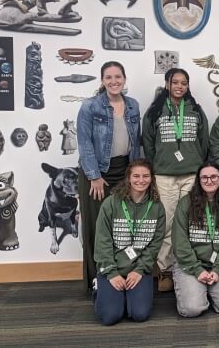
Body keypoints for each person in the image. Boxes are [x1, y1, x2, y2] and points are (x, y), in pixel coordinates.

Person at [142, 68, 210, 292]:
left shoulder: (196, 111)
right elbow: (148, 144)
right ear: (167, 84)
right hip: (164, 176)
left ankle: (187, 266)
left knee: (190, 222)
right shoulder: (155, 112)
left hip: (191, 175)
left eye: (184, 83)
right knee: (168, 223)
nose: (180, 86)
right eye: (175, 82)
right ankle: (165, 269)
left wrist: (196, 162)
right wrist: (158, 165)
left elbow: (204, 142)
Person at [77, 61, 142, 294]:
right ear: (102, 80)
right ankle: (97, 280)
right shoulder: (90, 107)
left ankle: (120, 274)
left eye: (118, 77)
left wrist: (135, 173)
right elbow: (84, 143)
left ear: (124, 79)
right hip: (98, 173)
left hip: (124, 171)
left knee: (122, 225)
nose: (114, 81)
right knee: (96, 227)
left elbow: (136, 143)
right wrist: (94, 176)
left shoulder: (133, 106)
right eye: (108, 77)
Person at [93, 159, 166, 325]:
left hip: (138, 268)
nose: (141, 180)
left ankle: (126, 297)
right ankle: (100, 288)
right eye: (136, 176)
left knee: (139, 314)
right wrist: (111, 273)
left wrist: (139, 270)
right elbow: (102, 241)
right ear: (128, 178)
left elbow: (155, 244)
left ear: (152, 179)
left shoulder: (157, 207)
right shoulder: (111, 203)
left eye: (146, 176)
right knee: (110, 317)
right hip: (112, 266)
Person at [171, 162, 219, 317]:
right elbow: (180, 242)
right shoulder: (186, 203)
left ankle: (208, 288)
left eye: (213, 177)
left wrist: (217, 270)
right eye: (204, 177)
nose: (209, 181)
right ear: (198, 180)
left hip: (217, 263)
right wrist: (197, 270)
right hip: (190, 263)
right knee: (192, 309)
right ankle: (198, 288)